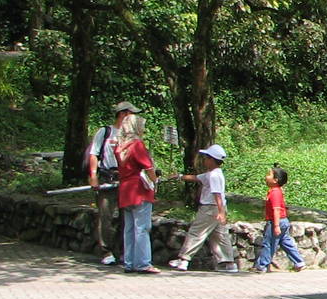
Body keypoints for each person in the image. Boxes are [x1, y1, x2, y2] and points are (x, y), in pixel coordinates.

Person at [168, 145, 238, 273]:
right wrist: (179, 176)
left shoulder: (214, 176)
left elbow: (217, 194)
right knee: (220, 236)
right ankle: (229, 263)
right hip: (217, 208)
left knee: (196, 232)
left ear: (212, 160)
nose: (204, 160)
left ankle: (184, 259)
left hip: (210, 208)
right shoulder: (213, 174)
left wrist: (221, 212)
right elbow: (196, 178)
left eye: (206, 158)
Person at [86, 101, 138, 265]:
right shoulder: (105, 132)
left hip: (125, 178)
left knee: (126, 216)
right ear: (122, 114)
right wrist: (93, 175)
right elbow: (94, 153)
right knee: (106, 215)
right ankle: (105, 251)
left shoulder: (131, 135)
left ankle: (122, 250)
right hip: (107, 176)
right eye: (131, 114)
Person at [114, 113, 160, 274]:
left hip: (125, 189)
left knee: (129, 228)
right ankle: (143, 263)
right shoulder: (137, 145)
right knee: (142, 227)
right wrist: (155, 181)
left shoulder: (120, 146)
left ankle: (129, 262)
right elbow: (147, 167)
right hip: (139, 189)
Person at [254, 165, 306, 273]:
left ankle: (262, 265)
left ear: (275, 180)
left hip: (276, 222)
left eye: (269, 174)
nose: (266, 176)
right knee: (285, 242)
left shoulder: (275, 193)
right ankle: (299, 262)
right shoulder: (276, 191)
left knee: (269, 243)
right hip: (283, 221)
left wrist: (276, 225)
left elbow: (276, 209)